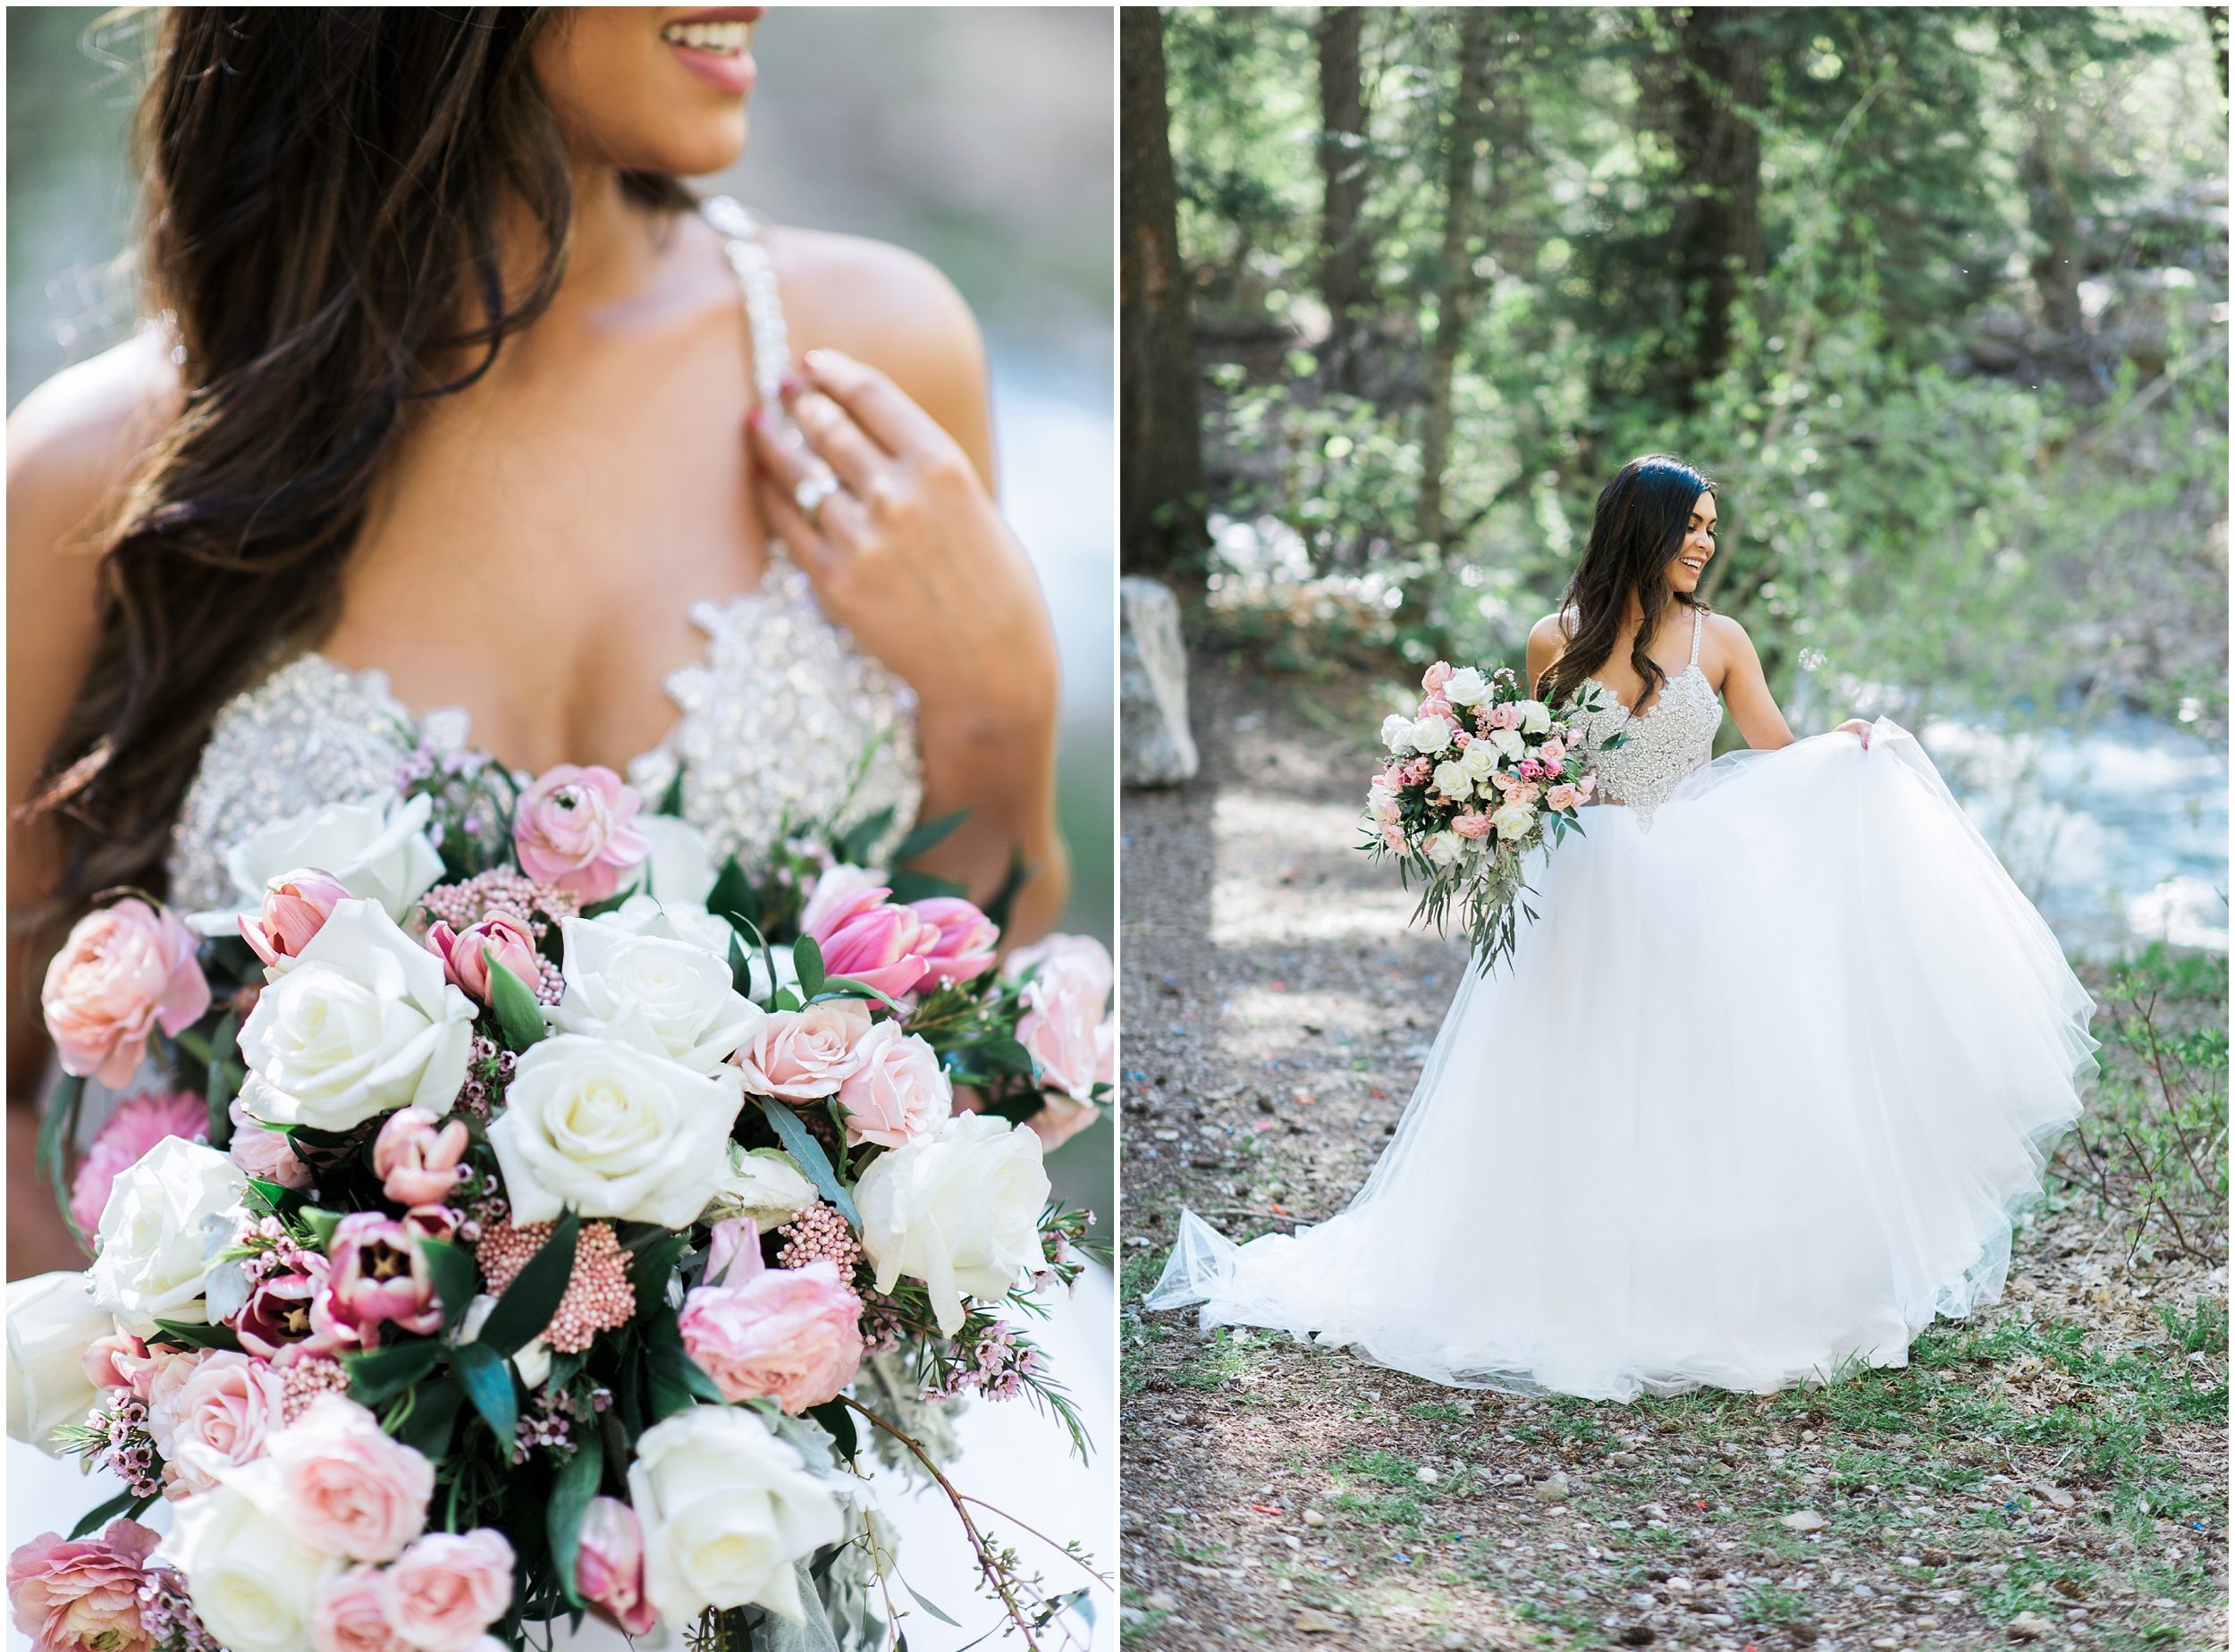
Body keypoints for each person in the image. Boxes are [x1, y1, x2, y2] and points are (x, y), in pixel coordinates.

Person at [6, 7, 1070, 1278]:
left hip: (836, 1458)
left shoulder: (866, 365)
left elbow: (964, 1028)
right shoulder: (102, 474)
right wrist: (211, 1408)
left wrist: (1002, 704)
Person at [1149, 454, 2096, 1403]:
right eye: (1689, 525)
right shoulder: (1551, 636)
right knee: (1570, 1070)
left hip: (1691, 877)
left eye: (1712, 528)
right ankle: (1557, 1270)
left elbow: (1773, 745)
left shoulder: (1720, 639)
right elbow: (1543, 762)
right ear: (1640, 526)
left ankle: (1696, 1273)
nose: (1705, 543)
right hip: (1582, 882)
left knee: (1701, 1071)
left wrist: (1849, 749)